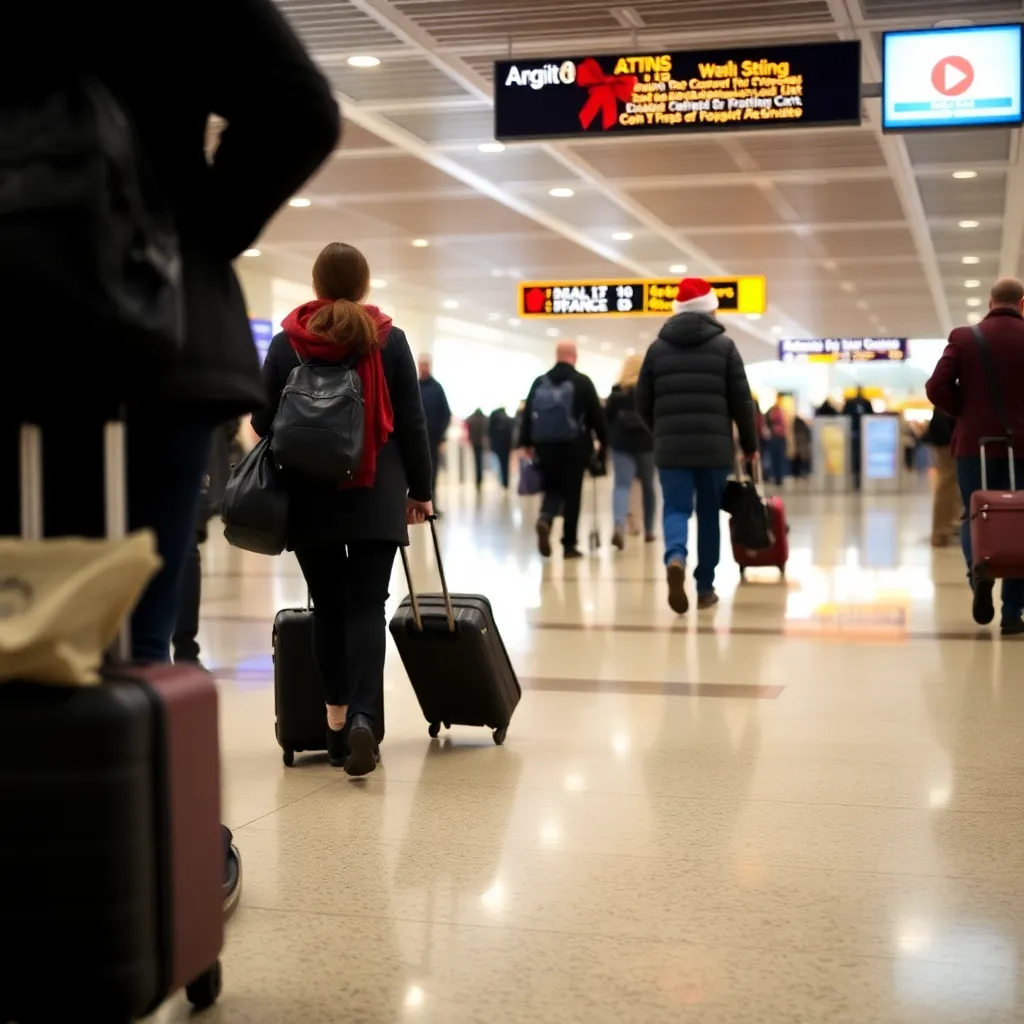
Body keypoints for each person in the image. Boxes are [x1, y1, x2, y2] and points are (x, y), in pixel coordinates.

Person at [0, 0, 340, 920]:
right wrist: (184, 234)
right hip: (154, 343)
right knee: (133, 636)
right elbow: (301, 110)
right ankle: (145, 863)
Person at [252, 242, 433, 772]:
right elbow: (413, 424)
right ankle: (364, 721)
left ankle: (334, 725)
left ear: (315, 284)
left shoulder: (290, 342)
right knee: (366, 607)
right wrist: (419, 491)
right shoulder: (389, 339)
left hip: (312, 493)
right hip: (377, 491)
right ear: (364, 283)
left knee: (328, 607)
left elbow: (264, 421)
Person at [636, 277, 759, 614]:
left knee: (675, 508)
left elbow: (641, 401)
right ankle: (705, 587)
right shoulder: (725, 346)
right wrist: (750, 444)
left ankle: (675, 556)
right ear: (710, 307)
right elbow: (741, 401)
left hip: (671, 449)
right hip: (714, 450)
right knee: (708, 515)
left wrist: (659, 430)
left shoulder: (657, 348)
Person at [926, 277, 1024, 635]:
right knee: (1021, 519)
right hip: (1022, 445)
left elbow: (936, 387)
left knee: (975, 515)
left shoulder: (965, 338)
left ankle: (979, 576)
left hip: (973, 445)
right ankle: (1013, 612)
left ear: (989, 302)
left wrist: (964, 412)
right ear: (1022, 303)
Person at [519, 340, 608, 559]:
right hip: (575, 446)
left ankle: (545, 519)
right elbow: (596, 416)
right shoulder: (582, 382)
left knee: (552, 488)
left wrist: (527, 443)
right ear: (574, 356)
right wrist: (604, 442)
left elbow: (528, 413)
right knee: (572, 493)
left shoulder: (540, 382)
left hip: (545, 445)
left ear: (557, 355)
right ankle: (569, 545)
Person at [173, 420, 238, 666]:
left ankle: (145, 651)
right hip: (195, 435)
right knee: (187, 550)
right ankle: (186, 652)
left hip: (142, 432)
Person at [606, 353, 655, 550]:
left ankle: (619, 524)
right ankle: (649, 530)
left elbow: (607, 420)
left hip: (622, 444)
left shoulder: (616, 394)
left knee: (621, 486)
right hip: (646, 443)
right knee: (648, 487)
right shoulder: (650, 390)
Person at [923, 408, 960, 549]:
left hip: (945, 434)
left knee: (951, 481)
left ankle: (948, 527)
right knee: (948, 481)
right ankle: (941, 532)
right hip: (948, 437)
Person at [418, 355, 451, 511]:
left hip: (432, 438)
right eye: (421, 364)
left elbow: (446, 413)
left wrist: (440, 434)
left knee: (432, 472)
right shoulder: (414, 386)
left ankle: (432, 504)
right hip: (416, 438)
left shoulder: (437, 388)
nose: (424, 367)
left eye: (426, 364)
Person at [842, 387, 873, 489]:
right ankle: (860, 479)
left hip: (853, 433)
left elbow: (844, 416)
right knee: (862, 457)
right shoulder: (866, 402)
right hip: (864, 434)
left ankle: (855, 479)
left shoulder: (849, 403)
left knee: (854, 456)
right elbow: (871, 416)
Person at [488, 407, 514, 490]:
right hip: (506, 445)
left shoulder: (494, 420)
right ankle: (505, 482)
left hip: (497, 445)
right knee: (505, 463)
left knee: (499, 463)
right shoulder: (508, 419)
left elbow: (490, 433)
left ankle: (502, 480)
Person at [763, 400, 788, 485]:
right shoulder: (780, 414)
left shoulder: (771, 414)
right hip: (778, 438)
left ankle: (777, 477)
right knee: (778, 459)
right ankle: (778, 477)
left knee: (775, 459)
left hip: (774, 438)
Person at [466, 408, 488, 491]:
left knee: (477, 462)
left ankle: (478, 481)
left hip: (474, 443)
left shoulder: (472, 419)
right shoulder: (484, 420)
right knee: (480, 462)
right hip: (481, 443)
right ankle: (479, 480)